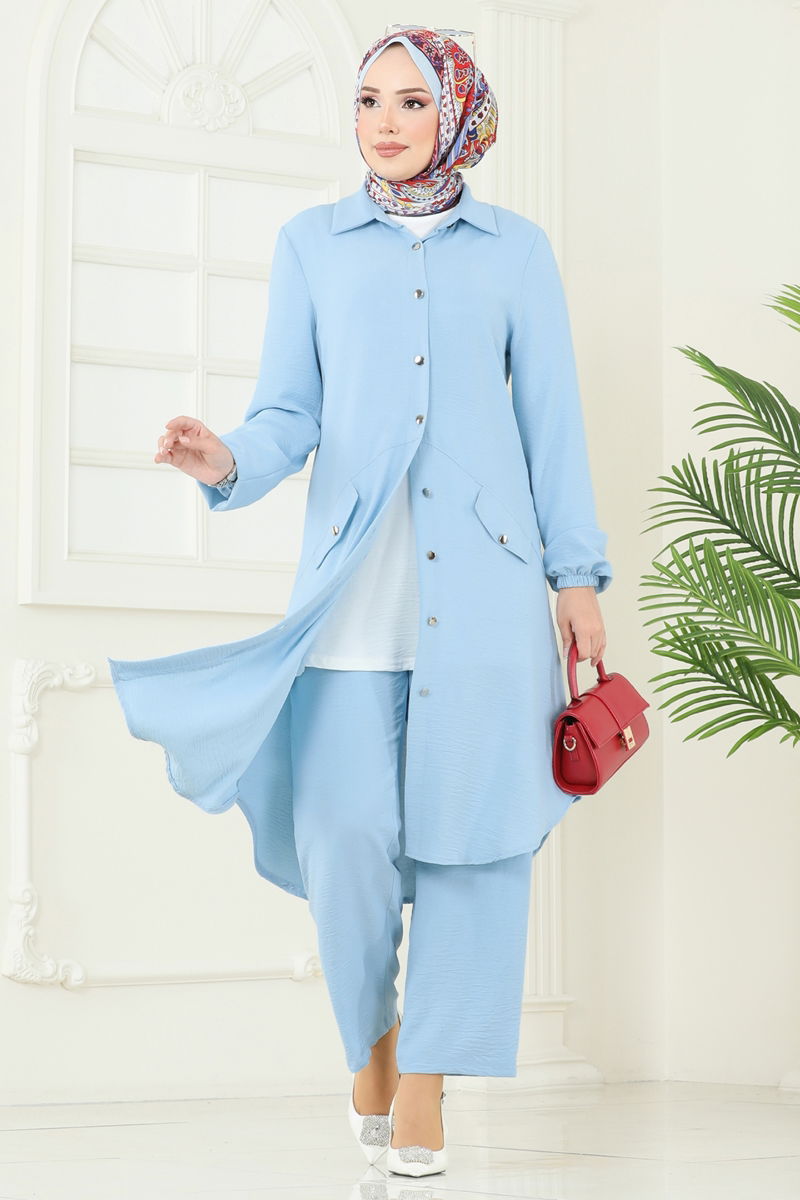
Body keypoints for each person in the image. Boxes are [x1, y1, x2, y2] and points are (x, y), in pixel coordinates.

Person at [111, 25, 611, 1180]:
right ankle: (372, 1046)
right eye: (368, 100)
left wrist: (576, 577)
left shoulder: (517, 253)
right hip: (350, 604)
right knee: (345, 841)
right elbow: (289, 411)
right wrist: (224, 458)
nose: (384, 123)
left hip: (486, 604)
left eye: (411, 102)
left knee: (473, 849)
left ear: (459, 117)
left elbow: (551, 422)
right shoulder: (311, 245)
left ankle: (425, 1082)